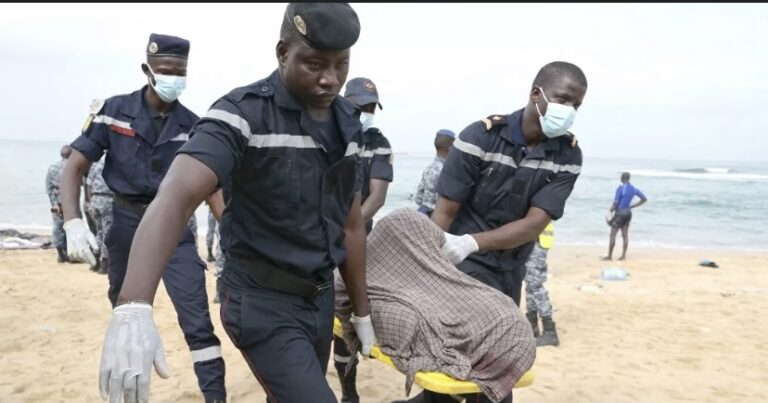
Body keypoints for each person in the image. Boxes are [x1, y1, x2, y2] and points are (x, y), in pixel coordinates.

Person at [95, 4, 376, 402]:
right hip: (261, 301)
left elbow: (349, 225)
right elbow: (177, 193)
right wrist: (133, 302)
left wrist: (361, 311)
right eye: (314, 64)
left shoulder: (347, 124)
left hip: (318, 299)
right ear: (282, 53)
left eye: (340, 65)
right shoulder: (242, 115)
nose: (330, 80)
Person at [59, 33, 227, 402]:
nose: (173, 78)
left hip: (175, 232)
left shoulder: (195, 126)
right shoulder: (112, 111)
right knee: (126, 319)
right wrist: (72, 222)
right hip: (126, 227)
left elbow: (213, 188)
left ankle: (216, 396)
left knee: (198, 322)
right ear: (147, 70)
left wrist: (230, 234)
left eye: (179, 71)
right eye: (165, 70)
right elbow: (74, 167)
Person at [427, 61, 588, 403]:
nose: (570, 110)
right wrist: (430, 268)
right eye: (563, 99)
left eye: (577, 105)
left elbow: (535, 223)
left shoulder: (568, 156)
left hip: (508, 266)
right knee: (465, 364)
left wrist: (472, 243)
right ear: (536, 94)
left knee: (493, 368)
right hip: (460, 265)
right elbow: (444, 210)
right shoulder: (480, 137)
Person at [332, 76, 393, 403]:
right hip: (315, 238)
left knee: (347, 314)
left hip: (356, 241)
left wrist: (349, 227)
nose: (366, 113)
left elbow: (377, 196)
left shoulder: (378, 142)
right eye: (360, 107)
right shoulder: (325, 132)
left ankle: (349, 393)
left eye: (371, 108)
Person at [524, 222, 559, 347]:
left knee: (535, 284)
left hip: (538, 240)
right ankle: (532, 326)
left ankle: (549, 330)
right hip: (533, 239)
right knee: (530, 283)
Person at [603, 172, 647, 261]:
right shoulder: (634, 189)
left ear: (622, 178)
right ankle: (623, 256)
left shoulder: (620, 188)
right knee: (625, 235)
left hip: (620, 213)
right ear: (629, 178)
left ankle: (609, 256)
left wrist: (610, 211)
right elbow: (644, 199)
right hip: (628, 213)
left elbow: (615, 203)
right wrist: (632, 206)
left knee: (613, 235)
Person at [414, 129, 455, 216]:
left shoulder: (428, 168)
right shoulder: (448, 171)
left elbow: (418, 197)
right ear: (451, 148)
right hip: (439, 216)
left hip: (423, 213)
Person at [86, 158, 114, 274]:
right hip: (108, 200)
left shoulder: (95, 165)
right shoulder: (115, 164)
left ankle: (95, 261)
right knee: (107, 234)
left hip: (95, 200)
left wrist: (90, 202)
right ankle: (104, 264)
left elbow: (88, 184)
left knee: (99, 232)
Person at [45, 145, 72, 263]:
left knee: (58, 227)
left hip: (57, 201)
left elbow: (49, 188)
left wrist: (54, 203)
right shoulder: (72, 168)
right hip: (70, 201)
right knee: (70, 226)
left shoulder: (52, 168)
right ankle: (69, 252)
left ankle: (61, 254)